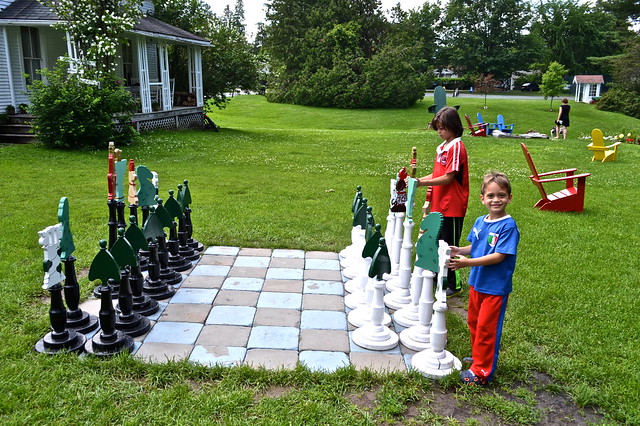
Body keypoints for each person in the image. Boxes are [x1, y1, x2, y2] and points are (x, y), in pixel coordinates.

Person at [449, 172, 520, 386]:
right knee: (474, 323)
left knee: (487, 328)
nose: (496, 200)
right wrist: (459, 250)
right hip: (477, 283)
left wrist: (466, 263)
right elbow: (477, 247)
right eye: (490, 195)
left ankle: (481, 371)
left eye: (501, 195)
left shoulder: (508, 226)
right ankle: (478, 357)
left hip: (495, 288)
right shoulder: (481, 221)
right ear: (482, 198)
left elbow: (499, 256)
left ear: (509, 197)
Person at [416, 106, 469, 297]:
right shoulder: (443, 147)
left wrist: (422, 183)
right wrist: (419, 180)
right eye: (437, 128)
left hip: (452, 205)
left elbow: (448, 177)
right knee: (438, 242)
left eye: (442, 128)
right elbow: (438, 174)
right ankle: (440, 277)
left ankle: (453, 284)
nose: (439, 131)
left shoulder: (456, 147)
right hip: (440, 204)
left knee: (449, 246)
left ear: (453, 126)